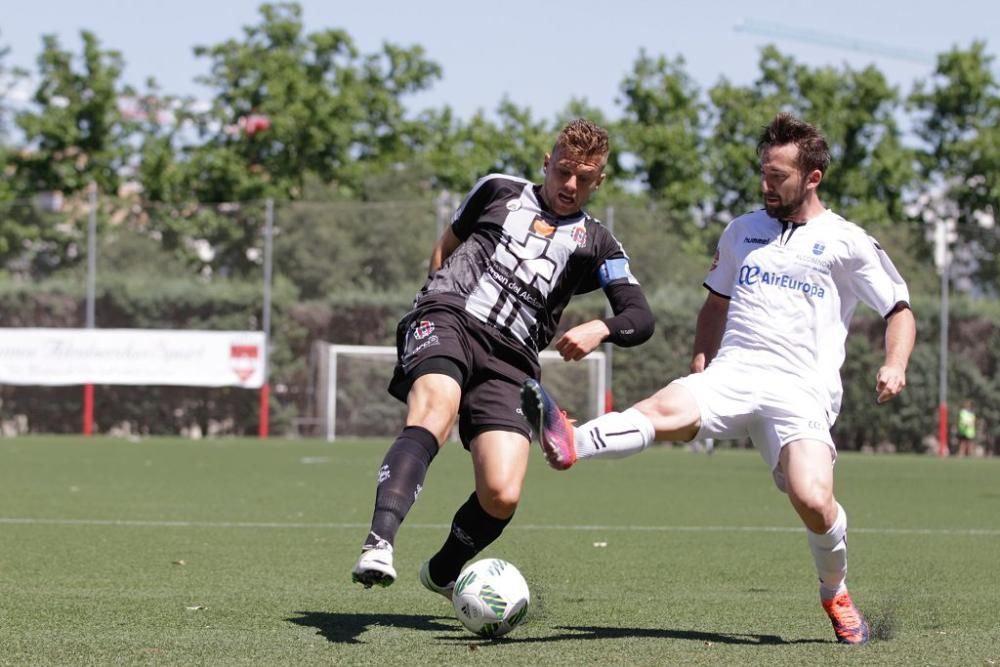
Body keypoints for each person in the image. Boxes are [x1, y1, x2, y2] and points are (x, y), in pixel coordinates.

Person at [521, 112, 916, 645]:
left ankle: (836, 592)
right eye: (763, 172)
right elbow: (716, 303)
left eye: (777, 176)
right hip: (736, 371)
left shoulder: (846, 242)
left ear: (813, 178)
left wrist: (895, 363)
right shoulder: (741, 232)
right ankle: (572, 442)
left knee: (814, 499)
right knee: (669, 411)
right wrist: (701, 361)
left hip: (801, 390)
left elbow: (899, 309)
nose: (765, 184)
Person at [351, 119, 655, 599]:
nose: (570, 185)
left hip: (512, 360)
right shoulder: (497, 189)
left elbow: (640, 317)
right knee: (434, 411)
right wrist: (433, 301)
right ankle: (379, 542)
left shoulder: (598, 244)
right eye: (563, 171)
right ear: (547, 164)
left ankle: (443, 571)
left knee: (502, 493)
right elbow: (445, 248)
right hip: (450, 316)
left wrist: (602, 327)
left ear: (600, 181)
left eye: (584, 177)